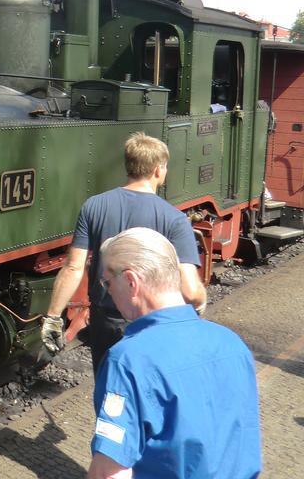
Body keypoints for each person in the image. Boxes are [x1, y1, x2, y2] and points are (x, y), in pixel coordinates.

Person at [86, 228, 260, 479]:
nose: (109, 292)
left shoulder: (128, 360)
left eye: (108, 283)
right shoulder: (233, 344)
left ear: (131, 281)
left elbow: (110, 473)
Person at [41, 132, 207, 372]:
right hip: (151, 324)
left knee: (109, 392)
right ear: (158, 170)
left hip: (105, 322)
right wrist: (199, 306)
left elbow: (73, 267)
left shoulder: (94, 206)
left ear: (129, 166)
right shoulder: (174, 219)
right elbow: (191, 291)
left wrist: (53, 317)